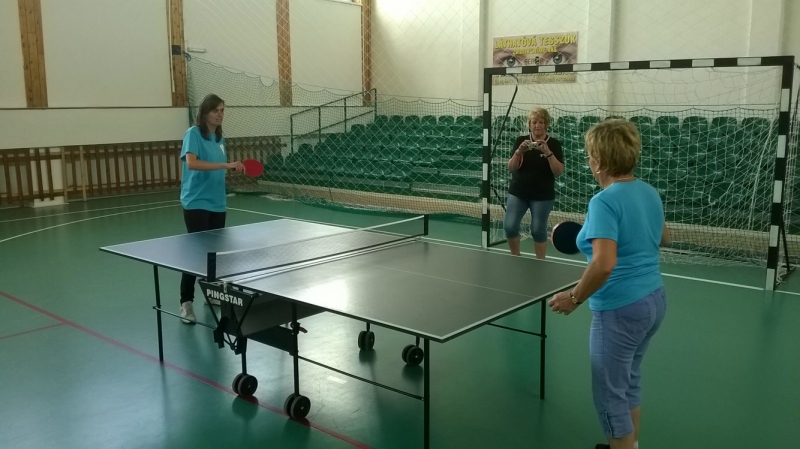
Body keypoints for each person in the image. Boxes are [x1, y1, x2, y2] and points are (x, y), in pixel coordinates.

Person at [546, 119, 670, 449]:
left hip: (621, 309)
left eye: (590, 155)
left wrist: (574, 297)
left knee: (609, 395)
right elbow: (663, 237)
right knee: (628, 381)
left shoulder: (603, 201)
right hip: (654, 300)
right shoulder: (648, 191)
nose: (589, 160)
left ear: (599, 160)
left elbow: (604, 264)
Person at [179, 94, 244, 324]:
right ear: (205, 112)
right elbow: (192, 163)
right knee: (195, 254)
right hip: (196, 201)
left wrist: (230, 170)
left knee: (214, 252)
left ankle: (212, 291)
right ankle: (186, 302)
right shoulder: (193, 134)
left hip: (217, 202)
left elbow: (216, 168)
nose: (220, 114)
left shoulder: (219, 138)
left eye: (223, 110)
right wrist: (225, 165)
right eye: (216, 110)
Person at [504, 107, 565, 259]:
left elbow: (558, 171)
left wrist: (548, 153)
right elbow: (511, 168)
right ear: (529, 124)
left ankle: (540, 262)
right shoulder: (521, 141)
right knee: (510, 227)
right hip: (518, 192)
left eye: (541, 122)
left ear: (546, 124)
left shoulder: (554, 144)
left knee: (538, 230)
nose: (537, 125)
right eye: (534, 122)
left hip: (542, 195)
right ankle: (515, 257)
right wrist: (519, 152)